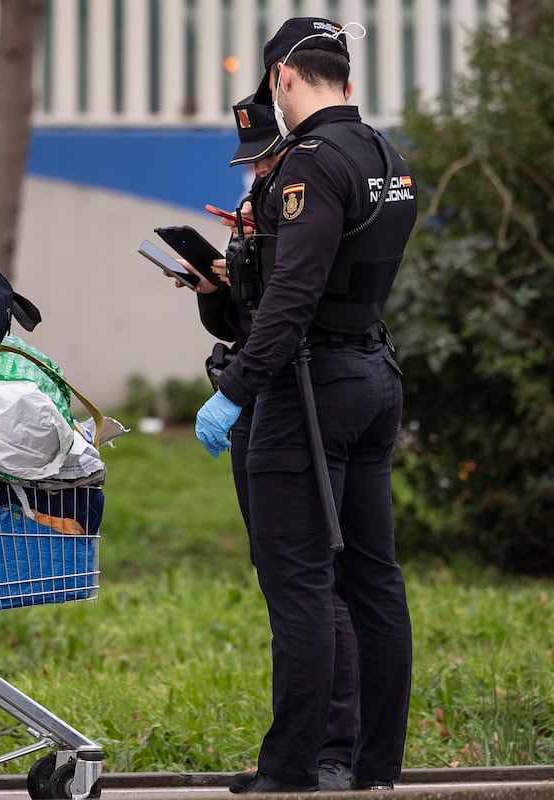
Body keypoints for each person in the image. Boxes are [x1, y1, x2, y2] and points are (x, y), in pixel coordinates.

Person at [193, 18, 417, 793]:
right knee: (374, 580)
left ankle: (289, 771)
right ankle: (375, 766)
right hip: (372, 374)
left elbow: (293, 298)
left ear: (285, 79)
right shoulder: (387, 156)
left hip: (310, 389)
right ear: (347, 81)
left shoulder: (310, 167)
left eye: (274, 90)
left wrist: (235, 390)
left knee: (301, 586)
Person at [172, 95, 361, 793]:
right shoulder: (264, 208)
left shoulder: (313, 197)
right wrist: (211, 287)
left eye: (268, 158)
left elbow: (291, 314)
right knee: (288, 584)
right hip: (261, 399)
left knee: (312, 586)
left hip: (297, 397)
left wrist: (234, 393)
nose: (260, 174)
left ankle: (330, 752)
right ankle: (314, 754)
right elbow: (243, 322)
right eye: (252, 163)